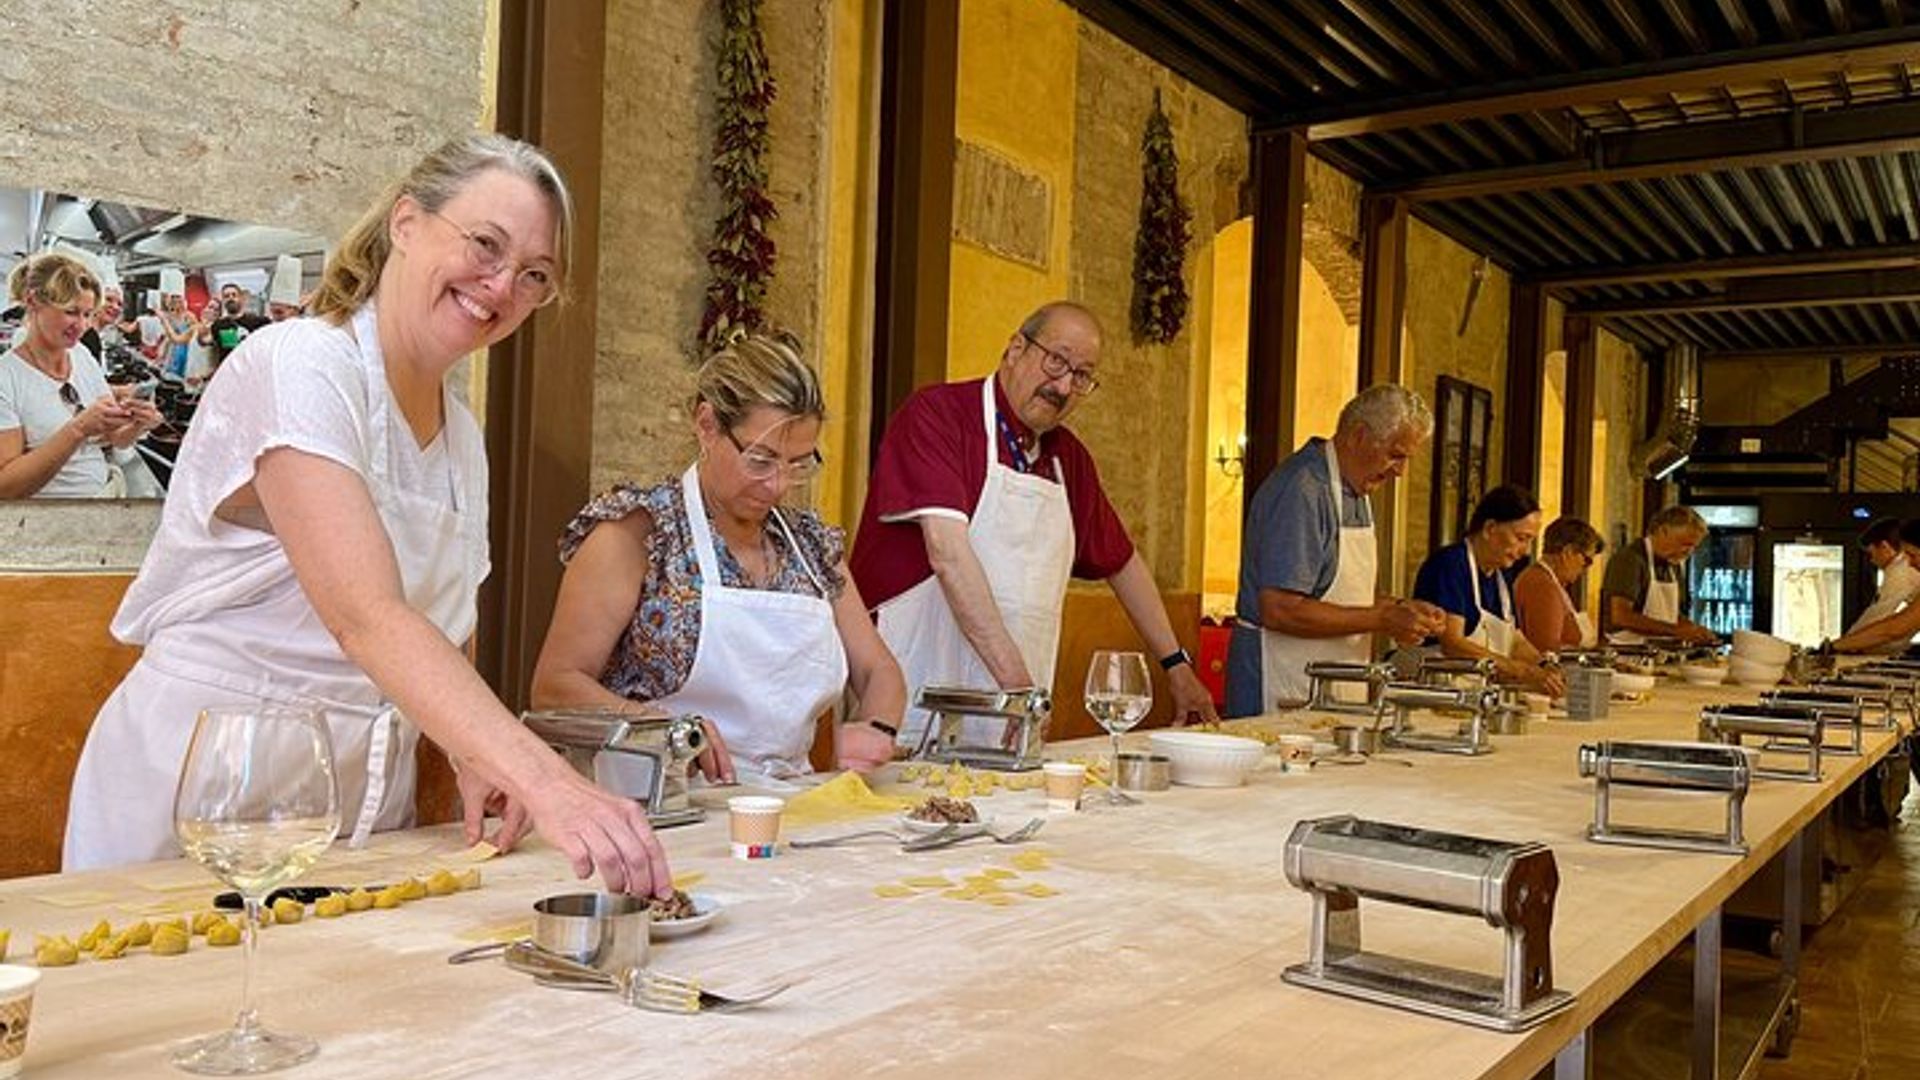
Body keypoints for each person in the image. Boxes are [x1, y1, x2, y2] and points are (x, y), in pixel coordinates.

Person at [64, 134, 671, 896]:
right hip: (205, 786)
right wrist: (549, 779)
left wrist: (468, 750)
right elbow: (366, 614)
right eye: (486, 244)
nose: (502, 284)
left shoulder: (463, 437)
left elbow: (446, 626)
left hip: (356, 803)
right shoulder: (300, 363)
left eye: (534, 275)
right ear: (407, 223)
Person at [531, 333, 905, 783]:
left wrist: (875, 727)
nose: (778, 485)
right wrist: (667, 730)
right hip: (654, 806)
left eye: (799, 464)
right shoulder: (636, 535)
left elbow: (877, 668)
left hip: (785, 806)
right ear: (707, 424)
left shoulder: (811, 547)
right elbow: (555, 686)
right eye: (760, 460)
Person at [851, 300, 1218, 743]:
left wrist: (1175, 665)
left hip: (1013, 714)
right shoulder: (938, 416)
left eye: (1081, 376)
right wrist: (1019, 689)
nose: (1063, 386)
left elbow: (1121, 562)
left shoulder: (1069, 459)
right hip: (916, 694)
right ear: (1015, 349)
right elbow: (947, 553)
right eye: (1056, 361)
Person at [1223, 385, 1447, 717]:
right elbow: (1281, 609)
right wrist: (1383, 618)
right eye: (1396, 455)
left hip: (1333, 687)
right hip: (1281, 684)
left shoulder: (1357, 491)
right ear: (1358, 435)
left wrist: (1403, 610)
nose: (1400, 471)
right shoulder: (1303, 490)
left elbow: (1347, 597)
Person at [0, 253, 162, 498]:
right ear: (33, 302)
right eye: (71, 311)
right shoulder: (7, 377)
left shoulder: (81, 355)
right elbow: (6, 487)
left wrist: (138, 424)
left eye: (87, 314)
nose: (82, 325)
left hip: (105, 492)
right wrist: (78, 429)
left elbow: (111, 438)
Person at [1411, 485, 1565, 694]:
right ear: (1490, 528)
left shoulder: (1501, 576)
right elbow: (1453, 643)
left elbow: (1516, 641)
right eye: (1521, 538)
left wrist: (1546, 666)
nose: (1526, 551)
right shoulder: (1451, 564)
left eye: (1530, 541)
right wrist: (1519, 670)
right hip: (1437, 691)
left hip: (1474, 691)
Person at [1600, 505, 1717, 645]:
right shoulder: (1629, 559)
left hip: (1659, 652)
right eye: (1685, 544)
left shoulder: (1674, 566)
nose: (1688, 552)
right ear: (1663, 531)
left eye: (1693, 547)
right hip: (1628, 652)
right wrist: (1675, 630)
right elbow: (1621, 616)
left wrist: (1693, 629)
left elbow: (1671, 615)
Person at [1513, 517, 1605, 653]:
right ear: (1568, 552)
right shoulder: (1543, 586)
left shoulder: (1552, 582)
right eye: (1587, 560)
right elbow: (1546, 652)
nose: (1585, 569)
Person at [1843, 518, 1920, 649]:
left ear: (1884, 547)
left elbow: (1894, 628)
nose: (1909, 563)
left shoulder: (1900, 572)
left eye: (1912, 555)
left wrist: (1839, 645)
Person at [206, 282, 269, 369]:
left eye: (234, 295)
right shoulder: (217, 325)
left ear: (240, 298)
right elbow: (215, 351)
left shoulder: (259, 322)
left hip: (251, 369)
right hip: (228, 372)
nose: (230, 298)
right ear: (223, 301)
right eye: (226, 296)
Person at [157, 291, 197, 378]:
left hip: (185, 346)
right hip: (172, 346)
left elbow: (194, 334)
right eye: (174, 302)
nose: (177, 304)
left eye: (179, 301)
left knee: (182, 367)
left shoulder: (189, 316)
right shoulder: (170, 316)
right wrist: (162, 350)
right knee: (170, 367)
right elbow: (168, 336)